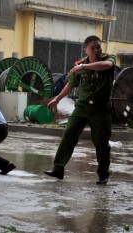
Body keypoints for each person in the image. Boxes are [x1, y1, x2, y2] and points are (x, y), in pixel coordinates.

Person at [43, 35, 116, 184]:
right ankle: (58, 169)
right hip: (82, 106)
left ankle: (103, 174)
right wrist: (57, 98)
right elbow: (70, 84)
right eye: (93, 48)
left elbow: (107, 66)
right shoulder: (80, 65)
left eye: (98, 47)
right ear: (86, 50)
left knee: (101, 141)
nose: (96, 50)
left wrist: (82, 67)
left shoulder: (108, 59)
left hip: (101, 108)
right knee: (69, 133)